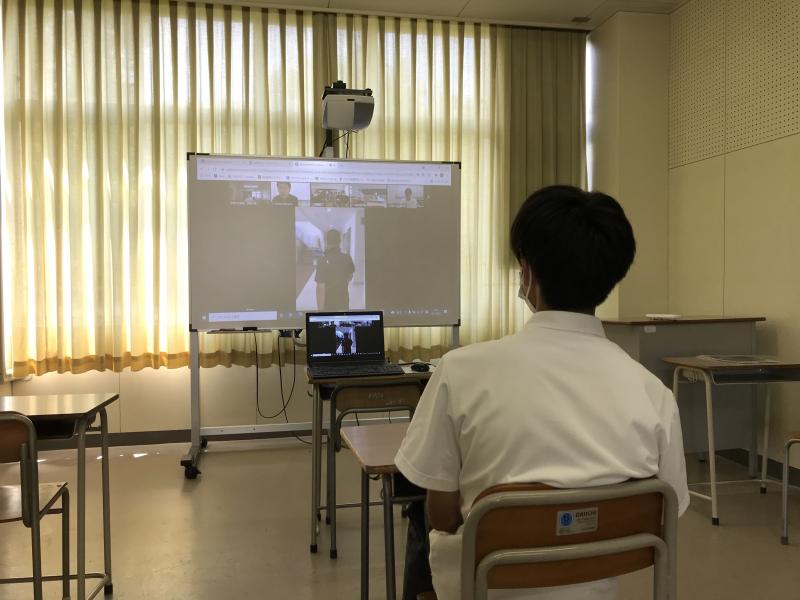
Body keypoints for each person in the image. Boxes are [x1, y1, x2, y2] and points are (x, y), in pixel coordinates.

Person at [395, 185, 689, 600]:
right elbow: (666, 512)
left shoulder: (460, 372)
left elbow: (442, 515)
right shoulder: (654, 394)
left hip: (484, 585)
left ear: (527, 272)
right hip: (596, 589)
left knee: (420, 511)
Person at [315, 229, 355, 310]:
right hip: (343, 300)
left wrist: (320, 310)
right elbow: (350, 276)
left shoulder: (321, 261)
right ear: (339, 242)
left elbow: (321, 287)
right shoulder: (348, 258)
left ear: (326, 242)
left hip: (328, 304)